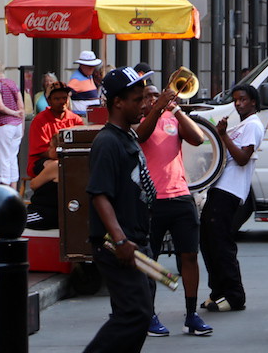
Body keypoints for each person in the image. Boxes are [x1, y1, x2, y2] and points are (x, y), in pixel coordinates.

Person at [83, 66, 156, 353]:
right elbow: (99, 195)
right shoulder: (107, 142)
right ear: (117, 102)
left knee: (139, 311)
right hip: (118, 245)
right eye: (137, 99)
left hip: (137, 242)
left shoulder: (128, 136)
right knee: (135, 314)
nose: (143, 104)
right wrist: (120, 240)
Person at [136, 81, 213, 336]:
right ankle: (149, 314)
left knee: (189, 256)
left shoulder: (172, 118)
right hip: (151, 200)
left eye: (157, 95)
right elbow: (142, 136)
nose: (153, 99)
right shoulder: (138, 121)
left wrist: (176, 110)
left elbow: (199, 138)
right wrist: (157, 108)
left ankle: (191, 315)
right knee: (151, 261)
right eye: (148, 96)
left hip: (180, 196)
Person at [199, 84, 263, 313]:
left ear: (253, 101)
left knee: (221, 244)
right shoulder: (242, 125)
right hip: (220, 188)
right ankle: (218, 292)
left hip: (231, 190)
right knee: (207, 242)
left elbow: (243, 158)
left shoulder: (253, 125)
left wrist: (224, 135)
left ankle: (235, 296)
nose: (238, 104)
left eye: (243, 99)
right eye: (235, 100)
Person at [25, 84, 83, 230]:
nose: (62, 101)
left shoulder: (76, 120)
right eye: (57, 98)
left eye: (64, 98)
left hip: (67, 161)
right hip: (44, 162)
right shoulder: (40, 120)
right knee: (53, 165)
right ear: (49, 101)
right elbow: (43, 152)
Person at [0, 62, 24, 189]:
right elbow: (21, 106)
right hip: (17, 126)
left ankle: (4, 189)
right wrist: (22, 125)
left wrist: (13, 113)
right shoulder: (13, 84)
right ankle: (14, 190)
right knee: (12, 158)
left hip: (3, 125)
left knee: (2, 158)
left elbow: (0, 106)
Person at [68, 51, 103, 117]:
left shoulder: (89, 75)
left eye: (93, 66)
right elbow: (67, 95)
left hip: (91, 116)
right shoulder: (76, 79)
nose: (92, 69)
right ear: (82, 65)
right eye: (89, 66)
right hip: (81, 117)